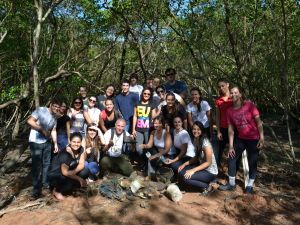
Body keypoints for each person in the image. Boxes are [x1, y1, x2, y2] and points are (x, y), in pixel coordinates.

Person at [219, 86, 264, 194]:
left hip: (253, 138)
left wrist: (262, 137)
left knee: (252, 162)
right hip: (241, 139)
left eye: (236, 92)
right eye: (231, 93)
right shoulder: (229, 111)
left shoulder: (249, 105)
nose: (233, 94)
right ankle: (231, 183)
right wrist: (230, 146)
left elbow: (258, 122)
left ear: (240, 94)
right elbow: (231, 129)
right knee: (231, 157)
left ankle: (249, 186)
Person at [27, 98, 62, 199]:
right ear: (50, 104)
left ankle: (45, 184)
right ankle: (36, 190)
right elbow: (29, 121)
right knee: (37, 166)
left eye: (58, 107)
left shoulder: (55, 117)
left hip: (47, 142)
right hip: (35, 142)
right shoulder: (41, 110)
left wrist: (55, 144)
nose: (56, 108)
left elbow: (53, 130)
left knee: (46, 164)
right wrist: (41, 129)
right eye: (54, 106)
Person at [178, 121, 218, 195]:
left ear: (202, 131)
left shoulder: (206, 143)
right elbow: (197, 157)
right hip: (202, 168)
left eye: (198, 129)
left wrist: (193, 170)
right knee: (181, 171)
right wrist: (185, 164)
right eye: (194, 129)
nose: (196, 131)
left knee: (186, 178)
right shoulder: (196, 140)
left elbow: (208, 162)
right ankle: (204, 181)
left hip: (210, 172)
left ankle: (207, 186)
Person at [48, 132, 89, 200]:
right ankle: (57, 190)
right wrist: (79, 179)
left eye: (78, 142)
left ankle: (73, 187)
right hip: (57, 174)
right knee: (72, 182)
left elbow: (82, 164)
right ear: (70, 141)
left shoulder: (81, 149)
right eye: (74, 142)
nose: (76, 144)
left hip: (68, 172)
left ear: (81, 142)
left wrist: (74, 172)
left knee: (85, 171)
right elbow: (64, 172)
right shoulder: (66, 153)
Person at [132, 88, 159, 170]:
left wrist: (158, 112)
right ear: (142, 94)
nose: (146, 95)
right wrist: (133, 129)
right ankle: (144, 162)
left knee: (148, 148)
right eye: (145, 93)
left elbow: (153, 117)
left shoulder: (152, 104)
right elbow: (135, 116)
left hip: (148, 129)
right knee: (139, 149)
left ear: (150, 95)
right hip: (139, 129)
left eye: (148, 94)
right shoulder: (137, 103)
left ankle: (149, 166)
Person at [215, 78, 233, 166]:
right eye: (219, 87)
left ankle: (232, 174)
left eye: (223, 85)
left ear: (228, 85)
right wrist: (218, 131)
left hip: (234, 130)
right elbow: (218, 117)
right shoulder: (218, 100)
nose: (221, 88)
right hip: (223, 129)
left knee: (233, 152)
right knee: (219, 151)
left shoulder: (234, 98)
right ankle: (215, 172)